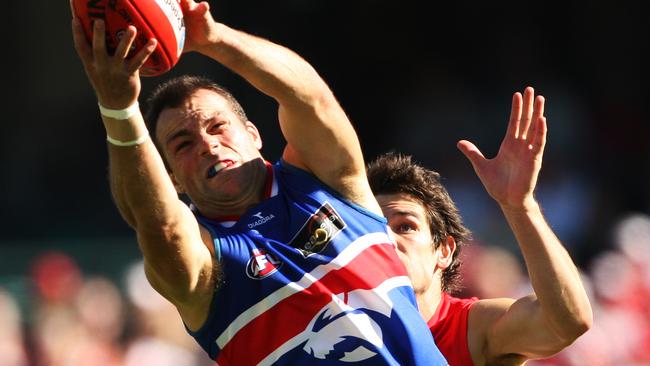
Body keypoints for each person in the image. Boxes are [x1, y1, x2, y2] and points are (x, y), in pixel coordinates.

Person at [69, 0, 447, 364]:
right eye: (183, 144)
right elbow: (158, 224)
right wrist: (118, 107)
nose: (207, 144)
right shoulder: (207, 261)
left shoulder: (326, 183)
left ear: (253, 134)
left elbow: (311, 98)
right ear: (172, 180)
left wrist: (213, 38)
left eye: (218, 126)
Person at [367, 87, 593, 365]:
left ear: (445, 250)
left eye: (405, 226)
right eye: (374, 228)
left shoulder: (473, 329)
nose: (386, 238)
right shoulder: (340, 334)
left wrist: (519, 206)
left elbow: (568, 323)